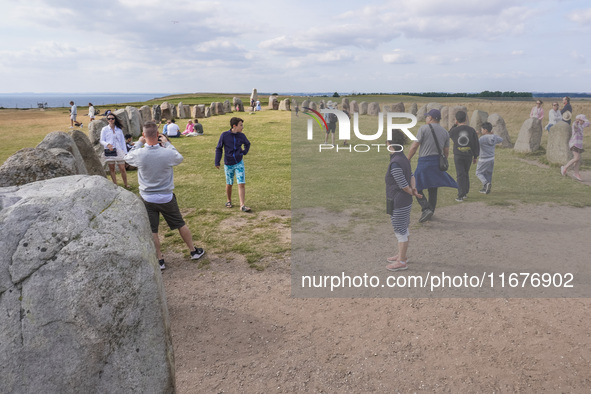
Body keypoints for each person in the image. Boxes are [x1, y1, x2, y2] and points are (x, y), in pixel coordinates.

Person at [124, 121, 205, 270]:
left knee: (153, 230)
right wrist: (167, 144)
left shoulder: (140, 154)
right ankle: (193, 250)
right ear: (158, 134)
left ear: (143, 135)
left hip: (147, 197)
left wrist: (138, 144)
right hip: (166, 196)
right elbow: (178, 157)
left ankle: (160, 259)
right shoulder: (166, 153)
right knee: (180, 224)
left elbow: (127, 157)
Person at [407, 109, 458, 223]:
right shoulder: (445, 132)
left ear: (430, 118)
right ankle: (431, 211)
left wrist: (408, 159)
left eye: (427, 117)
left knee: (415, 186)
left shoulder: (423, 129)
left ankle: (426, 208)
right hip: (437, 162)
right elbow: (446, 151)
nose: (426, 119)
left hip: (425, 161)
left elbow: (415, 146)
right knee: (433, 188)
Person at [385, 130, 422, 272]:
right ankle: (402, 255)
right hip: (404, 201)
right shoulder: (403, 159)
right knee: (403, 228)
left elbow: (402, 184)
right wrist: (414, 189)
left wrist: (411, 191)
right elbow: (411, 176)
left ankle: (401, 261)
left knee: (400, 230)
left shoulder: (395, 162)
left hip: (399, 201)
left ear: (389, 144)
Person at [215, 117, 251, 212]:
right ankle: (229, 200)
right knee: (229, 183)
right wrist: (217, 161)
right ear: (234, 126)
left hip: (239, 162)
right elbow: (219, 148)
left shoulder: (241, 136)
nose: (242, 127)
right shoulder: (224, 135)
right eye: (241, 125)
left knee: (241, 183)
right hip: (228, 163)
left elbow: (247, 144)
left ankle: (242, 205)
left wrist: (244, 152)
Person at [449, 111, 480, 202]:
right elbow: (475, 144)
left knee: (460, 174)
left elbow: (449, 133)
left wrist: (454, 125)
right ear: (466, 119)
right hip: (468, 155)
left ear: (456, 120)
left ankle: (460, 195)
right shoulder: (471, 130)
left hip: (458, 155)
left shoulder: (454, 130)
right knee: (465, 173)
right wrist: (475, 156)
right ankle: (465, 192)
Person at [100, 114, 129, 189]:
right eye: (109, 119)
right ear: (107, 120)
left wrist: (125, 152)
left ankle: (126, 184)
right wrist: (107, 144)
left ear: (115, 119)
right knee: (112, 168)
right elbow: (102, 140)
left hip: (119, 150)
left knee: (122, 168)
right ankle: (115, 184)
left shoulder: (119, 130)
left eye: (112, 118)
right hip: (110, 151)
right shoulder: (104, 129)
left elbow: (122, 141)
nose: (111, 120)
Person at [475, 122, 503, 194]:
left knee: (478, 173)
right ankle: (486, 189)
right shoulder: (494, 137)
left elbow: (476, 144)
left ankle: (485, 183)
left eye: (482, 129)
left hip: (483, 159)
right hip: (491, 158)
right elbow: (501, 139)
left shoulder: (482, 138)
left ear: (485, 130)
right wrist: (493, 134)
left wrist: (475, 135)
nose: (481, 130)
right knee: (488, 174)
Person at [561, 114, 590, 181]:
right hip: (574, 143)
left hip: (579, 145)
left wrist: (583, 120)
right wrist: (577, 121)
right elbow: (575, 126)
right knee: (576, 158)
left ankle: (576, 173)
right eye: (582, 121)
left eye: (583, 121)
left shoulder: (582, 124)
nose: (583, 122)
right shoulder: (575, 124)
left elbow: (588, 123)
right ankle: (565, 167)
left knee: (578, 160)